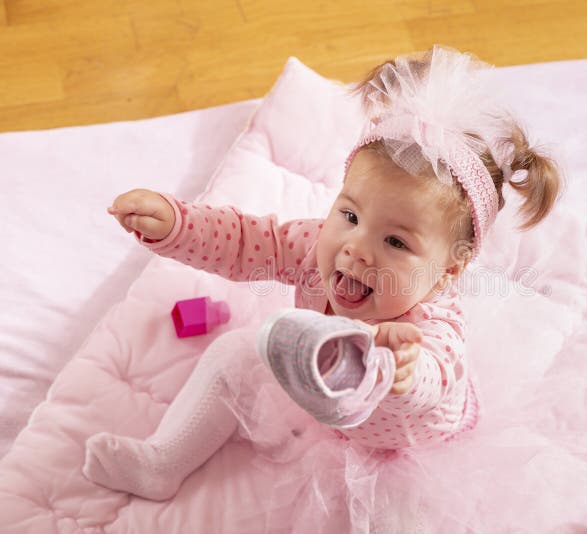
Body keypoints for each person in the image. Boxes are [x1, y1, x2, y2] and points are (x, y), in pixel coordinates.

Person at [82, 45, 561, 520]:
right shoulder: (317, 248)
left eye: (396, 242)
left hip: (399, 450)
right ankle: (162, 461)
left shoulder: (431, 323)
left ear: (448, 272)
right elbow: (247, 241)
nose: (356, 247)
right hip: (318, 383)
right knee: (235, 353)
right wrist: (176, 224)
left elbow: (437, 376)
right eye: (350, 215)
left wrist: (403, 368)